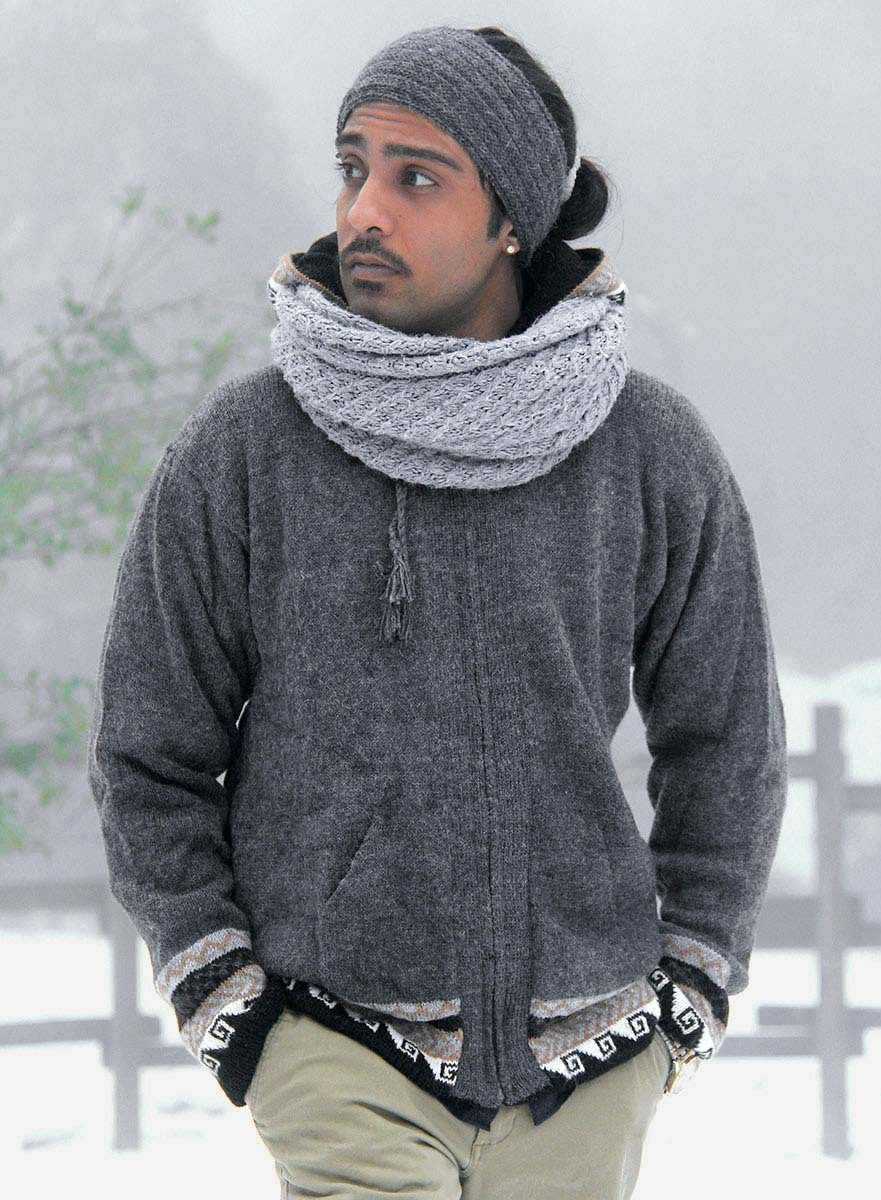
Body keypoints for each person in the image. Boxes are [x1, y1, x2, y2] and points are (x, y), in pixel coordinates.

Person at [87, 23, 789, 1200]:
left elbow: (729, 741)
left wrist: (694, 983)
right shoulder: (245, 451)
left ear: (512, 217)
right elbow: (147, 749)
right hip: (333, 1045)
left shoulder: (649, 451)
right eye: (352, 168)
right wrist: (231, 1007)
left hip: (590, 1062)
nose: (364, 211)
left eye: (416, 178)